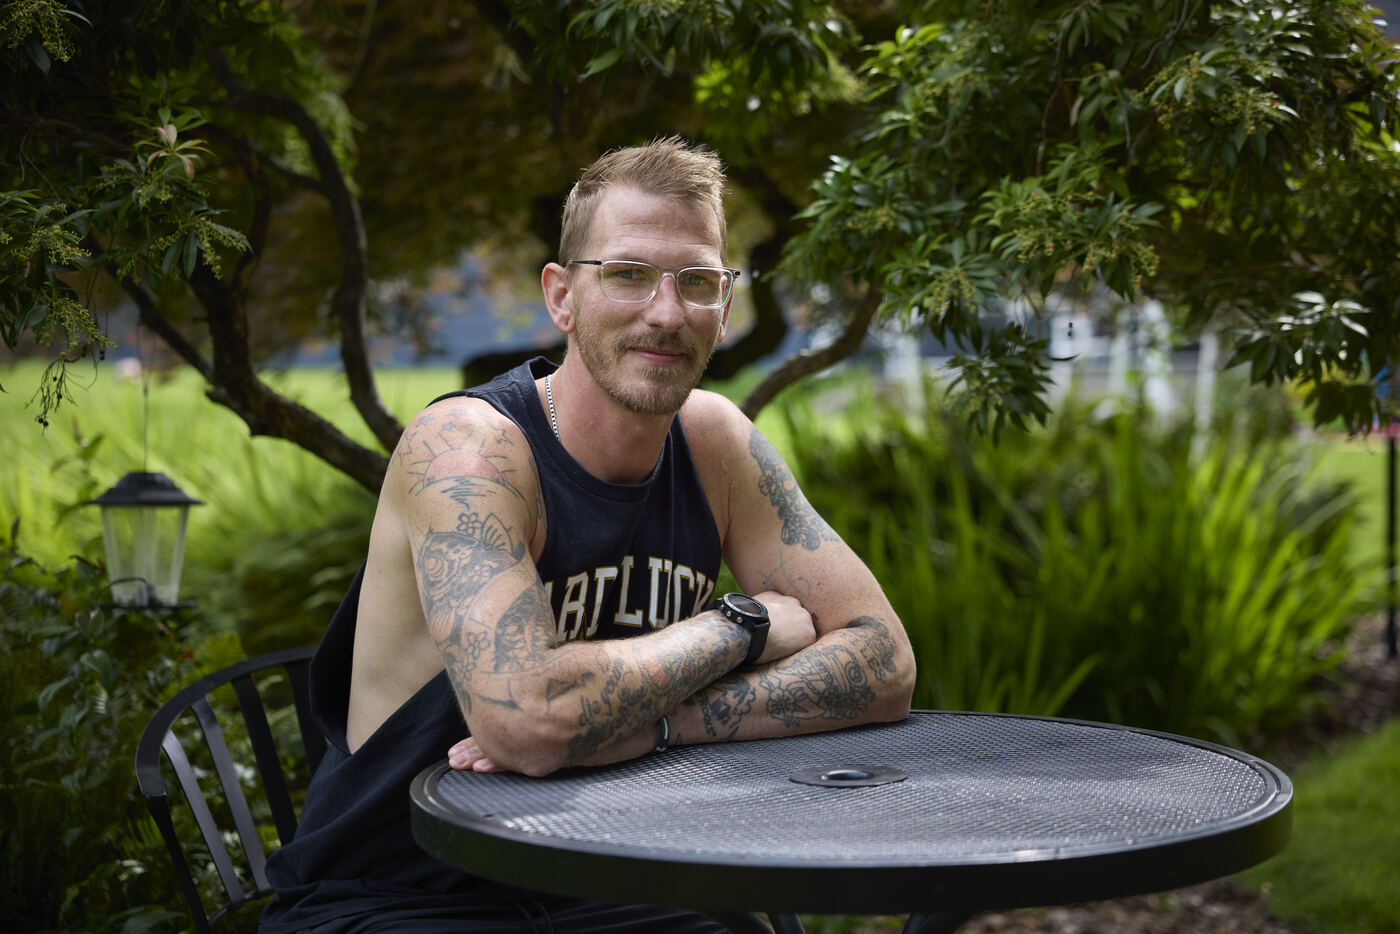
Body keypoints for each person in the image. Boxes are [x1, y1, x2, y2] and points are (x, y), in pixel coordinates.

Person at [260, 136, 916, 934]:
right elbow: (528, 722)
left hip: (607, 879)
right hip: (401, 894)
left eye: (698, 282)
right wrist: (739, 627)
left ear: (725, 305)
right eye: (629, 275)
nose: (667, 313)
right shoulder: (469, 451)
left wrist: (659, 725)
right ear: (562, 297)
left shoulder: (715, 443)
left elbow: (883, 661)